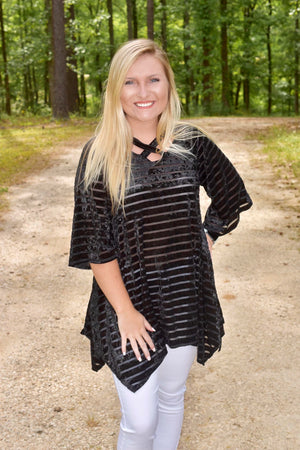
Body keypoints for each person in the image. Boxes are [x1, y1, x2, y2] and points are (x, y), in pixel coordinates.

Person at [69, 39, 252, 450]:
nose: (144, 92)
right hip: (125, 299)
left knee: (171, 399)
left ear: (168, 85)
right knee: (140, 418)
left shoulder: (190, 143)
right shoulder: (99, 155)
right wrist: (126, 313)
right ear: (116, 90)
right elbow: (96, 247)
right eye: (131, 82)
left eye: (154, 79)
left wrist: (206, 236)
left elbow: (230, 194)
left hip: (185, 293)